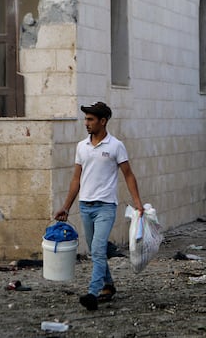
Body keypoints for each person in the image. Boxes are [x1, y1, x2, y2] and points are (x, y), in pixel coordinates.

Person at [54, 102, 144, 311]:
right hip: (85, 206)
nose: (86, 123)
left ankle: (93, 293)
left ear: (103, 121)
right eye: (86, 119)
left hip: (106, 206)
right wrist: (66, 207)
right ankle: (108, 285)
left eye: (90, 119)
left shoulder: (115, 146)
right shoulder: (81, 146)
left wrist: (137, 202)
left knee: (97, 249)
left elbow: (128, 174)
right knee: (97, 251)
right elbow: (76, 178)